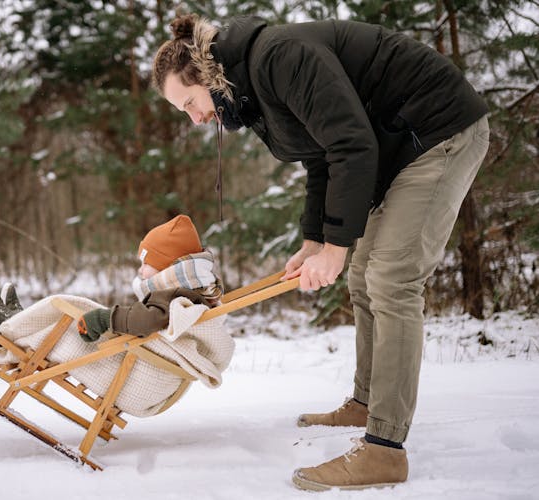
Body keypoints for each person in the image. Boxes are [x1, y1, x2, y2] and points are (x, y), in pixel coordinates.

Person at [151, 13, 490, 491]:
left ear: (207, 76)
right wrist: (315, 241)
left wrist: (334, 248)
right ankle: (366, 402)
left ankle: (385, 450)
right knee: (362, 276)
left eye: (189, 102)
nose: (195, 117)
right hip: (396, 144)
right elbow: (319, 157)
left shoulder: (279, 58)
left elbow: (350, 145)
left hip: (436, 130)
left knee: (391, 279)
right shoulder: (251, 92)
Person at [0, 214, 224, 341]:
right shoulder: (192, 290)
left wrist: (106, 318)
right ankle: (19, 322)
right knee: (70, 313)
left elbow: (148, 319)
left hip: (127, 364)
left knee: (69, 307)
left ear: (166, 265)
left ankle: (7, 330)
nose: (140, 271)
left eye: (146, 263)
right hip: (137, 357)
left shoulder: (175, 295)